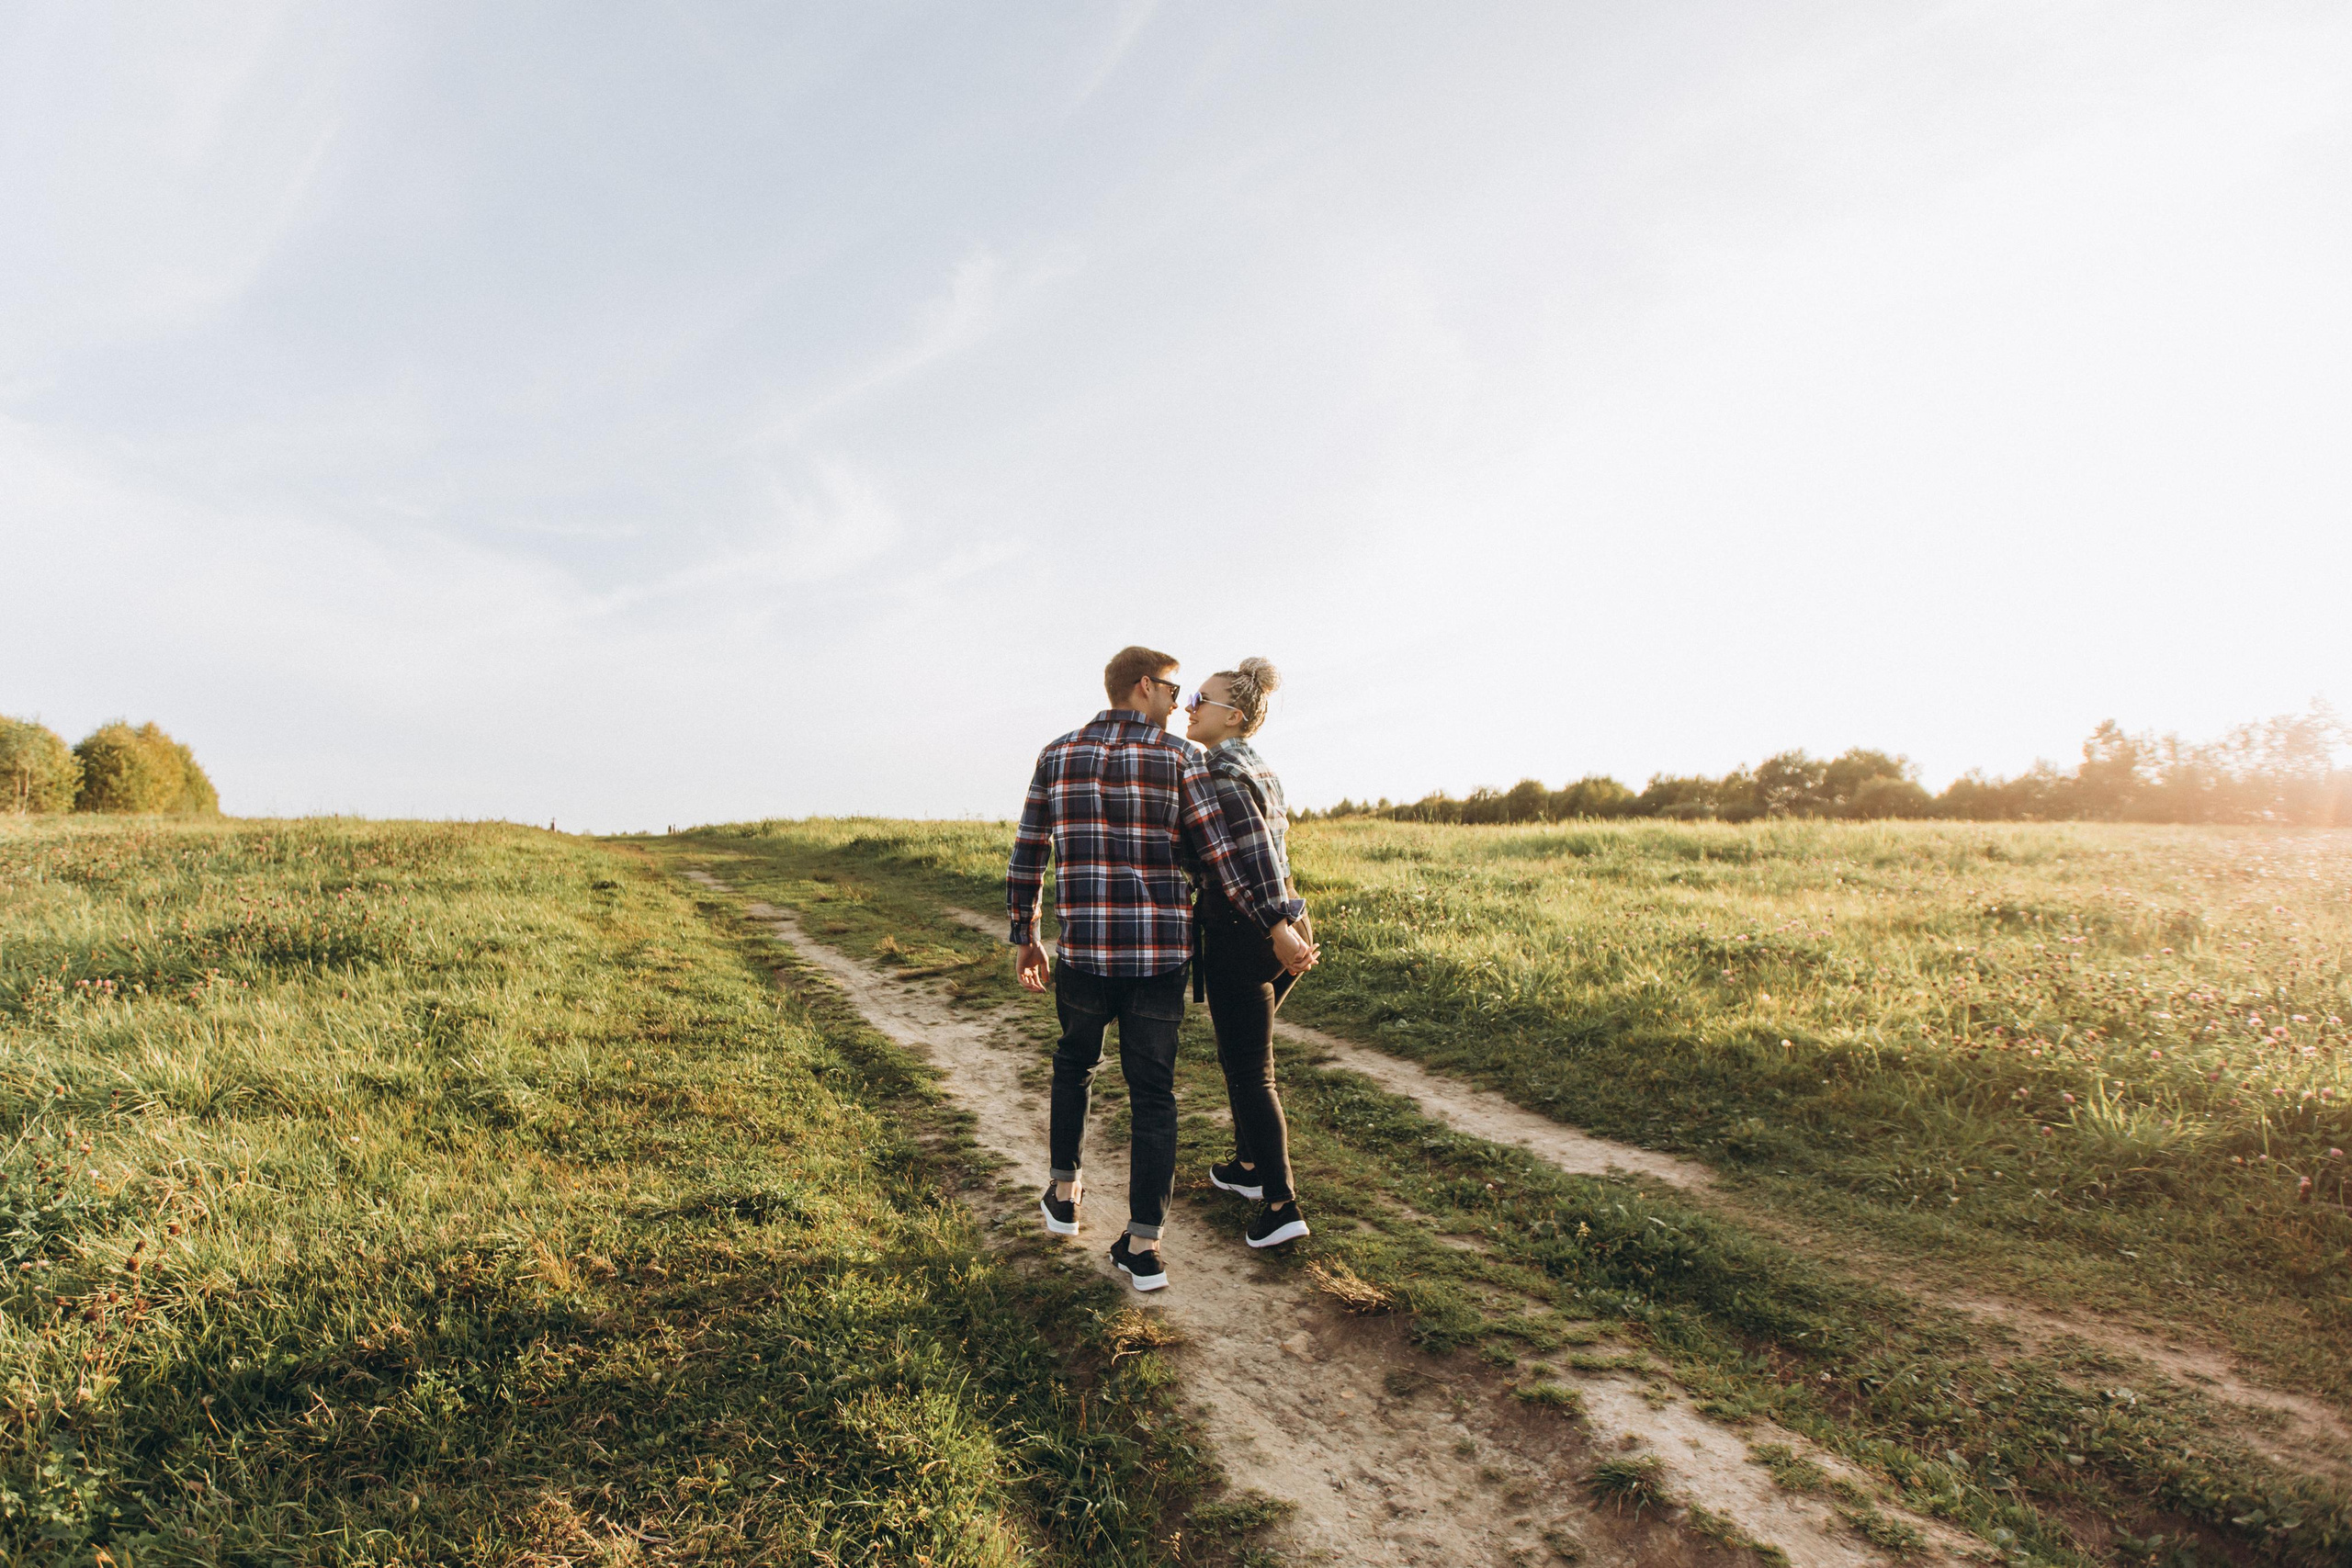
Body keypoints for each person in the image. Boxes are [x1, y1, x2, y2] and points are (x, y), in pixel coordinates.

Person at [1008, 646, 1317, 1293]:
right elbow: (1225, 860)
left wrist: (1027, 934)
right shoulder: (1182, 761)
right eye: (1174, 690)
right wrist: (1276, 919)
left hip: (1086, 952)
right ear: (1144, 687)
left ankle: (1064, 1193)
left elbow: (1029, 851)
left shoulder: (1056, 753)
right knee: (1155, 1096)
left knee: (1074, 1062)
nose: (1180, 704)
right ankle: (1144, 1246)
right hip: (1158, 958)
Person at [1182, 659, 1313, 1249]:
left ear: (1232, 716)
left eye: (1199, 699)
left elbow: (1248, 859)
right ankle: (1248, 1168)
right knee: (1242, 1055)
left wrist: (1273, 925)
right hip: (1284, 920)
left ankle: (1282, 1205)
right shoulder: (1256, 765)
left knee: (1251, 1071)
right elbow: (1277, 855)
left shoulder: (1219, 769)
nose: (1189, 707)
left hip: (1248, 930)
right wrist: (1290, 918)